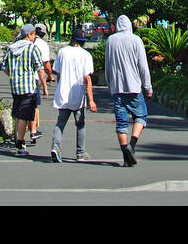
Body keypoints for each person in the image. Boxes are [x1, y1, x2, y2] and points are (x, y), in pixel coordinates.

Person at [104, 15, 152, 166]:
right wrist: (148, 86)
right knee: (141, 116)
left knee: (121, 123)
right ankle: (132, 145)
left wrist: (109, 84)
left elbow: (107, 64)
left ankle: (126, 155)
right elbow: (143, 66)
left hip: (118, 88)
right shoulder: (136, 40)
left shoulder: (111, 41)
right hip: (134, 87)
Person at [49, 30, 97, 163]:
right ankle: (81, 153)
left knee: (60, 123)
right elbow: (87, 78)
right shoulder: (86, 55)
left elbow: (57, 73)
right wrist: (91, 100)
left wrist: (60, 86)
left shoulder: (62, 52)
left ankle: (56, 147)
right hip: (78, 93)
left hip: (63, 92)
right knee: (80, 124)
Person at [2, 23, 48, 156]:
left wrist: (14, 75)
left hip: (15, 86)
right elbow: (40, 69)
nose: (35, 37)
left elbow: (4, 67)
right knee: (24, 116)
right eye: (34, 34)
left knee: (18, 115)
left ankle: (18, 139)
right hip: (28, 86)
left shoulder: (11, 48)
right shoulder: (32, 49)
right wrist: (44, 87)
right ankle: (20, 144)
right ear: (29, 35)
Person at [28, 22, 54, 143]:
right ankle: (33, 129)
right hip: (34, 78)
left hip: (19, 79)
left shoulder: (21, 42)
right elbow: (45, 65)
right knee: (34, 105)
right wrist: (50, 77)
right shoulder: (42, 45)